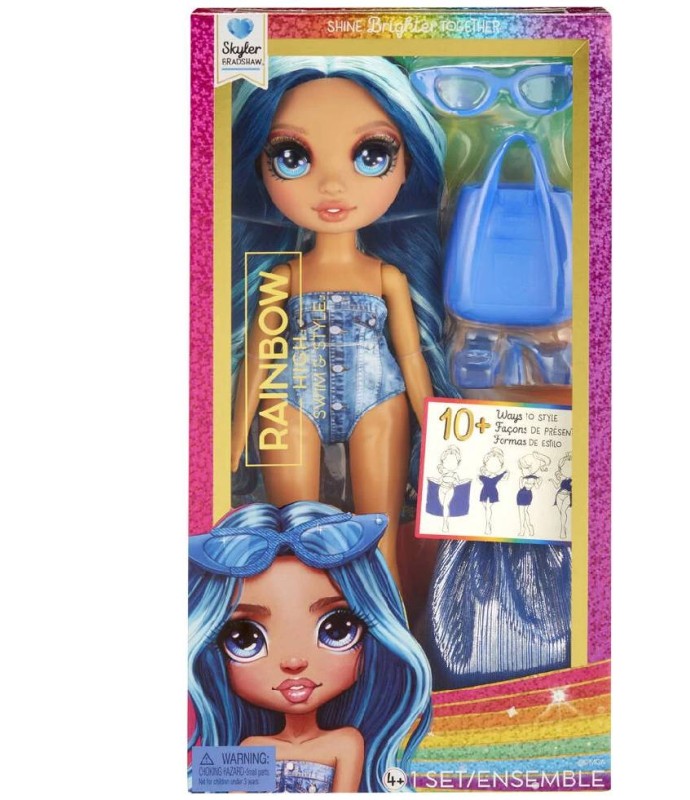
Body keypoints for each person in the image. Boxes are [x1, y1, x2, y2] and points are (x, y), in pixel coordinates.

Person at [229, 57, 455, 583]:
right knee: (293, 544)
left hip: (379, 400)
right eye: (291, 157)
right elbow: (259, 360)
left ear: (408, 165)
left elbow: (411, 357)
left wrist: (438, 431)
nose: (332, 185)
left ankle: (391, 633)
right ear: (259, 167)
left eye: (372, 155)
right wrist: (232, 440)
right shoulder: (283, 276)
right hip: (290, 402)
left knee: (380, 543)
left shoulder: (387, 276)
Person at [189, 501, 432, 792]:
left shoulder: (345, 743)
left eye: (337, 629)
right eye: (245, 638)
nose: (293, 661)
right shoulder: (250, 746)